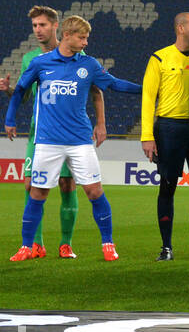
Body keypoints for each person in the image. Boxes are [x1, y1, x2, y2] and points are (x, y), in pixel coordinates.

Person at [6, 15, 141, 262]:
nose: (86, 42)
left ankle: (108, 244)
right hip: (47, 141)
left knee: (94, 191)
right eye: (82, 37)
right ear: (67, 36)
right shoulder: (40, 63)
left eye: (87, 37)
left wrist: (146, 89)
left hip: (79, 141)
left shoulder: (88, 64)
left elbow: (113, 85)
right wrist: (10, 119)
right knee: (37, 193)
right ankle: (27, 246)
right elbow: (21, 91)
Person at [11, 5, 105, 258]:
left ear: (56, 27)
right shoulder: (31, 59)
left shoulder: (78, 53)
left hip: (71, 134)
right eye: (34, 26)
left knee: (67, 184)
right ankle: (35, 245)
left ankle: (66, 244)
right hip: (40, 133)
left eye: (42, 25)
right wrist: (10, 90)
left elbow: (97, 91)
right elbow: (27, 94)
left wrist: (101, 123)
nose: (38, 30)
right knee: (31, 185)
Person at [141, 11, 189, 260]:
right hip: (168, 130)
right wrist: (147, 136)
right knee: (167, 187)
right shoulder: (159, 58)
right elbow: (149, 97)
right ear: (180, 28)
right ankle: (166, 247)